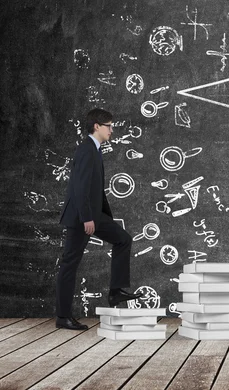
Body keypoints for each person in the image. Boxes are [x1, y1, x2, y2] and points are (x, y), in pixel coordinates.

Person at [56, 108, 141, 330]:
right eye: (109, 126)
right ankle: (63, 317)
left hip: (94, 215)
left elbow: (95, 189)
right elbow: (80, 188)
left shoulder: (94, 150)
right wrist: (87, 219)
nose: (112, 130)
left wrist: (106, 217)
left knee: (123, 239)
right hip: (80, 218)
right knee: (69, 265)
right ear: (97, 126)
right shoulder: (86, 150)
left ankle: (116, 292)